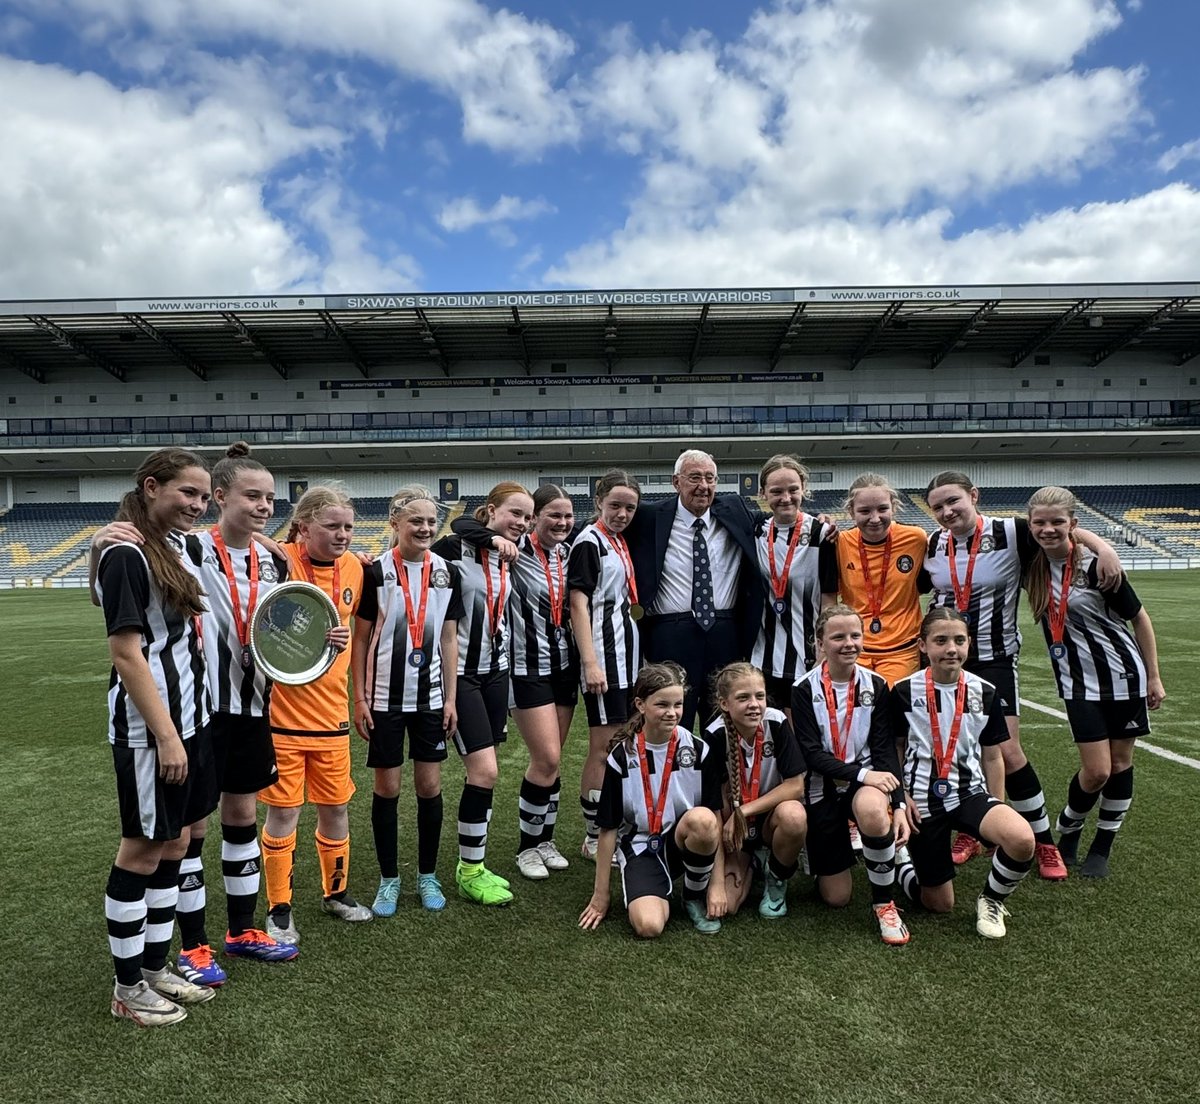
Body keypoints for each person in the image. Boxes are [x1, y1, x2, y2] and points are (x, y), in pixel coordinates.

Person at [923, 470, 1123, 879]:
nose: (947, 511)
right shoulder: (931, 542)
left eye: (953, 501)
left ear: (974, 496)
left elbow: (1061, 533)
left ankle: (1045, 842)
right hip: (943, 659)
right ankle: (972, 832)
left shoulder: (1013, 531)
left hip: (994, 656)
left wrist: (1104, 547)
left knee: (1008, 752)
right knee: (952, 750)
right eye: (938, 506)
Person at [97, 448, 218, 1026]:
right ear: (151, 486)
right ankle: (126, 989)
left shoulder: (169, 546)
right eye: (187, 493)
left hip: (191, 720)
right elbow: (125, 652)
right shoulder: (124, 552)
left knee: (176, 843)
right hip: (153, 731)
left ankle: (153, 965)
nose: (198, 504)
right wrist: (167, 737)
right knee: (142, 849)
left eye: (203, 495)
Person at [171, 444, 300, 980]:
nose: (265, 505)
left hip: (252, 704)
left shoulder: (273, 559)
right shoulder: (187, 549)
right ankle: (193, 945)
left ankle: (242, 930)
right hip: (200, 709)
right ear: (219, 497)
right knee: (191, 826)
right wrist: (106, 538)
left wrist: (325, 642)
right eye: (253, 496)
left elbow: (289, 628)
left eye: (271, 498)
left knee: (241, 816)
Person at [1024, 486, 1166, 878]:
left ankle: (1101, 847)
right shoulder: (1029, 561)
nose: (1048, 529)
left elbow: (1139, 618)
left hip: (1123, 676)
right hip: (1076, 684)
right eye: (1040, 522)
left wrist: (1153, 677)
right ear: (1030, 525)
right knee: (1097, 771)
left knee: (1120, 764)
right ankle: (1067, 830)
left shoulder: (1096, 567)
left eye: (1058, 522)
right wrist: (1104, 543)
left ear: (1073, 523)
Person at [452, 484, 579, 880]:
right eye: (550, 516)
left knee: (553, 764)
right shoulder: (513, 549)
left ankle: (545, 840)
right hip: (526, 666)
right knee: (548, 758)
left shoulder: (569, 552)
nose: (560, 523)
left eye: (567, 516)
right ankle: (526, 848)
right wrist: (493, 534)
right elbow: (460, 526)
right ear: (534, 519)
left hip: (563, 666)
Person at [260, 484, 367, 943]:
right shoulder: (279, 559)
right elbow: (224, 538)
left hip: (332, 718)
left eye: (347, 526)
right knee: (284, 814)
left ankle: (335, 893)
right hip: (282, 718)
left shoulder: (358, 569)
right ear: (303, 527)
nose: (342, 534)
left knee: (336, 808)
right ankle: (279, 908)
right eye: (331, 526)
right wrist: (271, 543)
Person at [893, 608, 1036, 939]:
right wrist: (901, 798)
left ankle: (992, 899)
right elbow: (895, 750)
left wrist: (997, 806)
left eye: (959, 640)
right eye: (940, 641)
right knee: (938, 904)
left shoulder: (985, 692)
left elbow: (993, 757)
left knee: (1021, 839)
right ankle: (903, 863)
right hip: (921, 801)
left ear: (969, 644)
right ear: (922, 645)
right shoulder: (902, 691)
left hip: (970, 793)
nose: (951, 649)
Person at [354, 487, 462, 915]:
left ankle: (428, 875)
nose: (425, 528)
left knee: (429, 786)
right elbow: (361, 640)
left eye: (431, 521)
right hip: (384, 698)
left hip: (432, 698)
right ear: (395, 523)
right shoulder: (375, 572)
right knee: (388, 787)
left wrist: (451, 698)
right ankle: (389, 879)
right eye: (416, 520)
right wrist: (360, 696)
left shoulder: (445, 571)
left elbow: (451, 638)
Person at [432, 482, 534, 905]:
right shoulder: (456, 549)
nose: (522, 524)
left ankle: (476, 863)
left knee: (486, 774)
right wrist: (488, 534)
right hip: (463, 675)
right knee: (485, 770)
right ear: (490, 511)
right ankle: (468, 869)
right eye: (515, 513)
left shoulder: (508, 555)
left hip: (497, 672)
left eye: (527, 517)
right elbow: (454, 527)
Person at [791, 605, 910, 945]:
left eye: (855, 635)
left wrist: (898, 805)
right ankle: (827, 850)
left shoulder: (876, 684)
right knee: (836, 897)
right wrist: (863, 774)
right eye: (838, 636)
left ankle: (884, 904)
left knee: (874, 809)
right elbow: (812, 756)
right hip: (822, 788)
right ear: (820, 643)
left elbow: (885, 750)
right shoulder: (803, 689)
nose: (849, 643)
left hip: (864, 787)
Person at [578, 663, 723, 937]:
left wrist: (717, 885)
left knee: (702, 821)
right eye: (662, 704)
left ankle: (693, 895)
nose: (672, 713)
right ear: (640, 705)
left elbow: (715, 817)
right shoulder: (621, 757)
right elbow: (608, 828)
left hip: (683, 840)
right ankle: (653, 887)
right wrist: (601, 894)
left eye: (678, 704)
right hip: (641, 846)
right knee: (649, 927)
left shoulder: (698, 749)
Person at [624, 449, 762, 730]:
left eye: (710, 478)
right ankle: (673, 774)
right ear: (676, 482)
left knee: (723, 722)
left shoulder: (734, 509)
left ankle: (721, 775)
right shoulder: (649, 516)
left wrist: (820, 522)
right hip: (670, 633)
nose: (704, 486)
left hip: (725, 632)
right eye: (695, 477)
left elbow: (772, 523)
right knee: (673, 719)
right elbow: (604, 526)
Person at [569, 470, 642, 861]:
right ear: (599, 501)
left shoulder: (617, 542)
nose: (622, 513)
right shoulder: (590, 541)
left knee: (621, 743)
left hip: (627, 660)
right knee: (604, 746)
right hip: (604, 661)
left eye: (630, 507)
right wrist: (591, 661)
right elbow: (577, 603)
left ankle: (613, 825)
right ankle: (594, 835)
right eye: (615, 505)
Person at [704, 662, 807, 921]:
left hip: (769, 819)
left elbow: (796, 786)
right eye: (743, 698)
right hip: (733, 830)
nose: (754, 704)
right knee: (727, 906)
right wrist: (716, 882)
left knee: (794, 816)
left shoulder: (777, 722)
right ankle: (751, 861)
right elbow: (714, 809)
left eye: (759, 696)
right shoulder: (714, 735)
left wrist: (745, 810)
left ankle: (776, 877)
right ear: (724, 703)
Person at [749, 455, 838, 712]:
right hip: (763, 655)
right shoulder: (754, 529)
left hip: (808, 652)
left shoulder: (823, 534)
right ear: (763, 493)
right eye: (776, 491)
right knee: (772, 729)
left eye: (793, 490)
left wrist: (825, 649)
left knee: (805, 728)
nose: (785, 498)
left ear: (804, 490)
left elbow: (829, 598)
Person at [834, 473, 928, 686]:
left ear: (893, 507)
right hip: (855, 650)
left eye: (882, 509)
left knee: (891, 713)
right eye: (865, 511)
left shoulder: (916, 538)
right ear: (851, 511)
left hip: (901, 651)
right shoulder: (839, 543)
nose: (875, 518)